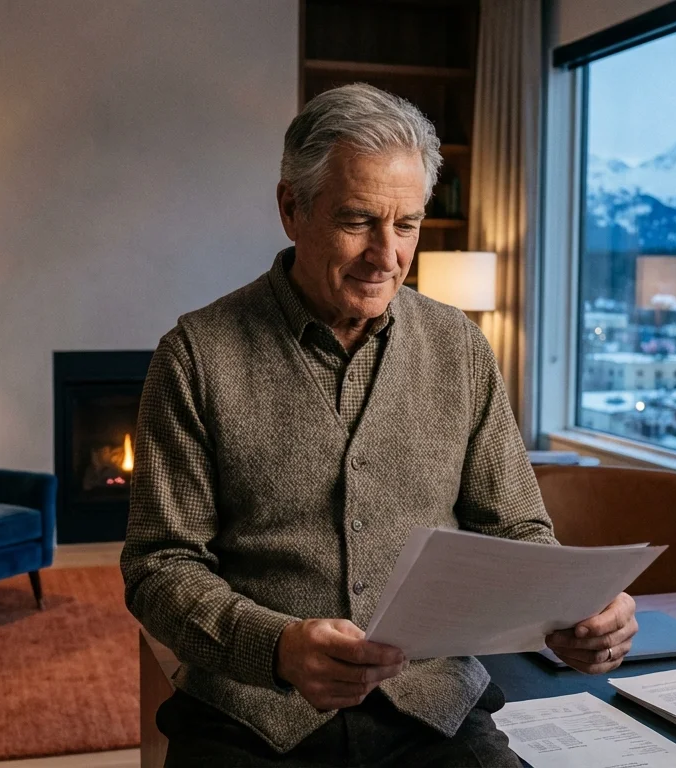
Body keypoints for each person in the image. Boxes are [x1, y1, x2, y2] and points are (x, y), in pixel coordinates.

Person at [122, 82, 638, 767]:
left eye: (407, 225)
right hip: (251, 714)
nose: (386, 255)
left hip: (436, 711)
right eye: (359, 220)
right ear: (290, 209)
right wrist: (276, 647)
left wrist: (575, 611)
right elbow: (159, 568)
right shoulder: (195, 355)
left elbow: (515, 530)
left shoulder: (460, 347)